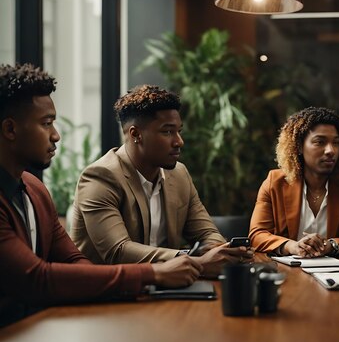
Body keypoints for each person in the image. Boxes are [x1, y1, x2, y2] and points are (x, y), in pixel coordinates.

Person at [0, 64, 201, 326]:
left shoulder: (34, 189)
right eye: (46, 123)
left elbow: (74, 261)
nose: (56, 135)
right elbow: (37, 279)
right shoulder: (99, 176)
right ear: (10, 129)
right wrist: (154, 274)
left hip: (41, 328)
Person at [70, 85, 252, 278]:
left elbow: (206, 232)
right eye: (167, 132)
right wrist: (192, 260)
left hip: (165, 287)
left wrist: (222, 251)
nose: (179, 141)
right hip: (107, 295)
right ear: (135, 134)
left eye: (178, 131)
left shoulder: (179, 174)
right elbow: (119, 251)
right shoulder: (100, 177)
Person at [249, 107, 339, 256]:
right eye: (320, 142)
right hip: (288, 270)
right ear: (298, 146)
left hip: (335, 272)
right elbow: (256, 235)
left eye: (336, 143)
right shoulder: (275, 182)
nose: (330, 150)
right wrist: (292, 246)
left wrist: (330, 246)